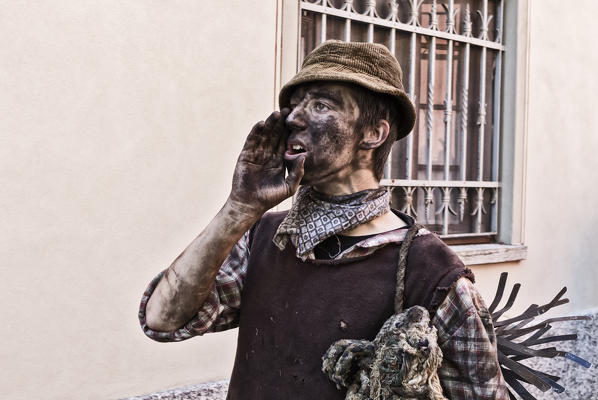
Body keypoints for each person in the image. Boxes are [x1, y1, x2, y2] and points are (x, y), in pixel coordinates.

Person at [139, 40, 509, 399]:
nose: (293, 118)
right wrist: (240, 206)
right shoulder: (265, 237)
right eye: (294, 105)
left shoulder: (432, 274)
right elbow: (162, 320)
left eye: (319, 105)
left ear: (373, 133)